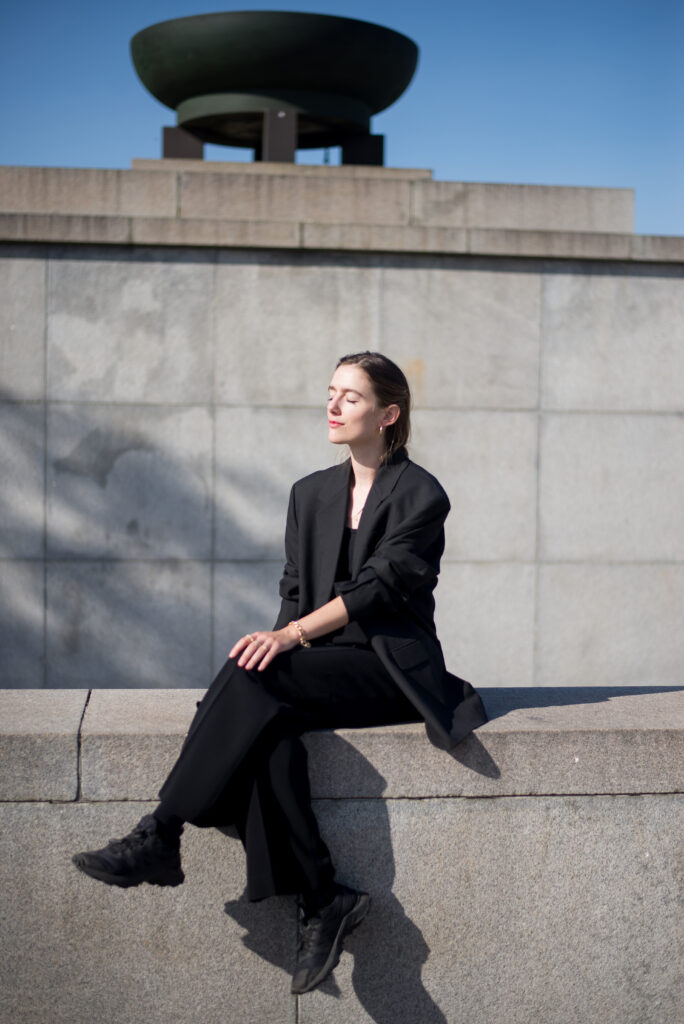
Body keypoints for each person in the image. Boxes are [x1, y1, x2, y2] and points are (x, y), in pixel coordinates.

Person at [72, 351, 488, 994]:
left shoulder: (422, 495)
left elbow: (381, 589)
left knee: (256, 681)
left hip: (384, 671)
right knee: (264, 715)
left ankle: (163, 831)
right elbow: (293, 593)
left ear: (388, 414)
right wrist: (277, 643)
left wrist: (288, 637)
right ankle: (324, 897)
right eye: (330, 392)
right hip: (317, 664)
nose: (332, 405)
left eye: (350, 397)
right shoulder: (309, 493)